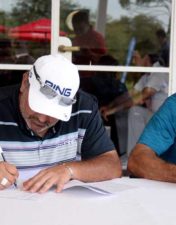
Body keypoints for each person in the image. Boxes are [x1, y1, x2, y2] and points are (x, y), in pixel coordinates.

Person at [0, 54, 122, 193]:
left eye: (54, 113)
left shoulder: (83, 107)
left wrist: (69, 170)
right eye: (38, 105)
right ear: (24, 83)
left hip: (64, 208)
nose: (42, 119)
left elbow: (112, 166)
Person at [101, 52, 168, 155]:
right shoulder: (147, 75)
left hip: (166, 119)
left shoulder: (158, 73)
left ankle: (138, 154)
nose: (134, 62)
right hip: (154, 115)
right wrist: (109, 106)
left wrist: (112, 111)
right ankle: (133, 154)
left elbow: (140, 97)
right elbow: (129, 95)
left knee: (135, 110)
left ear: (146, 58)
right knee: (135, 111)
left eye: (136, 58)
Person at [69, 9, 107, 93]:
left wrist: (87, 53)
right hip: (76, 76)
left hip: (92, 79)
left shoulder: (97, 38)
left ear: (87, 24)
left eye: (80, 29)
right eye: (75, 29)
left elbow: (104, 60)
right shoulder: (76, 38)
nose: (77, 31)